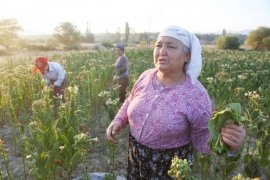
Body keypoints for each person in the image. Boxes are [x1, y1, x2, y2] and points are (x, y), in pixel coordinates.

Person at [106, 26, 246, 179]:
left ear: (187, 56)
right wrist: (118, 121)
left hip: (171, 167)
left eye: (171, 46)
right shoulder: (146, 76)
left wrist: (229, 143)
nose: (162, 51)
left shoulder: (196, 95)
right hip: (135, 155)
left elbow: (202, 137)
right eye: (158, 45)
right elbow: (130, 99)